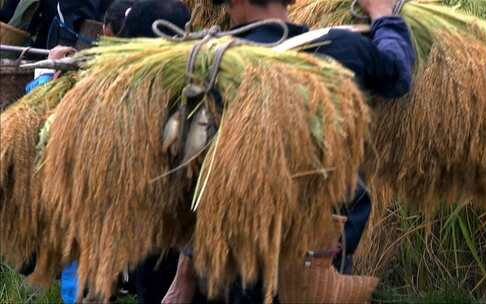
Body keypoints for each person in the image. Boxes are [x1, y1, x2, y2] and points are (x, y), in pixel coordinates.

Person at [173, 0, 415, 302]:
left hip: (240, 258)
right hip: (321, 260)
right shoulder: (341, 49)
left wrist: (184, 275)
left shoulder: (212, 65)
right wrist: (383, 16)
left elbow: (196, 181)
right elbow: (398, 73)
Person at [23, 1, 192, 303]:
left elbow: (48, 138)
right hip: (182, 248)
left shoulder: (119, 101)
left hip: (141, 241)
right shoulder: (196, 91)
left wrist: (46, 75)